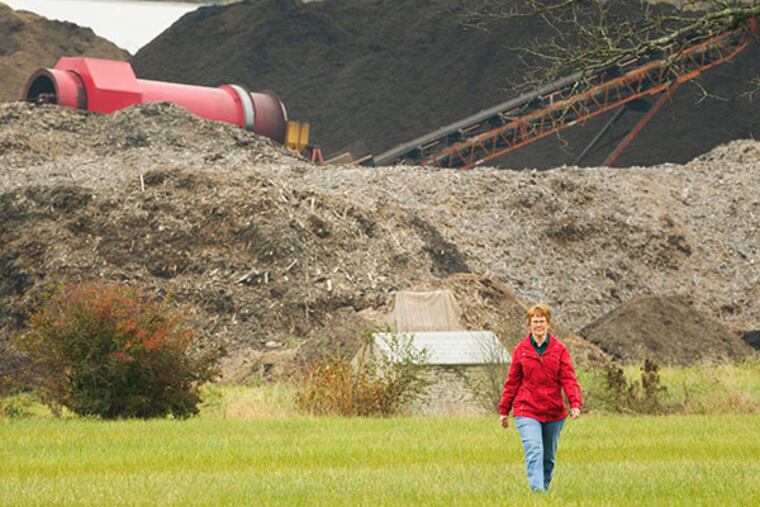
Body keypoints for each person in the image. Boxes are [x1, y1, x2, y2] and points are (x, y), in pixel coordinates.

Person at [498, 303, 582, 492]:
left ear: (548, 324)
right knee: (534, 450)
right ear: (529, 324)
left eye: (542, 321)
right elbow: (512, 382)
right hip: (526, 410)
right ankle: (537, 493)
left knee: (548, 458)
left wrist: (575, 403)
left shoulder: (559, 350)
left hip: (553, 411)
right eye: (535, 321)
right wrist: (504, 410)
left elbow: (568, 378)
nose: (538, 325)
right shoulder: (521, 350)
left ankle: (543, 489)